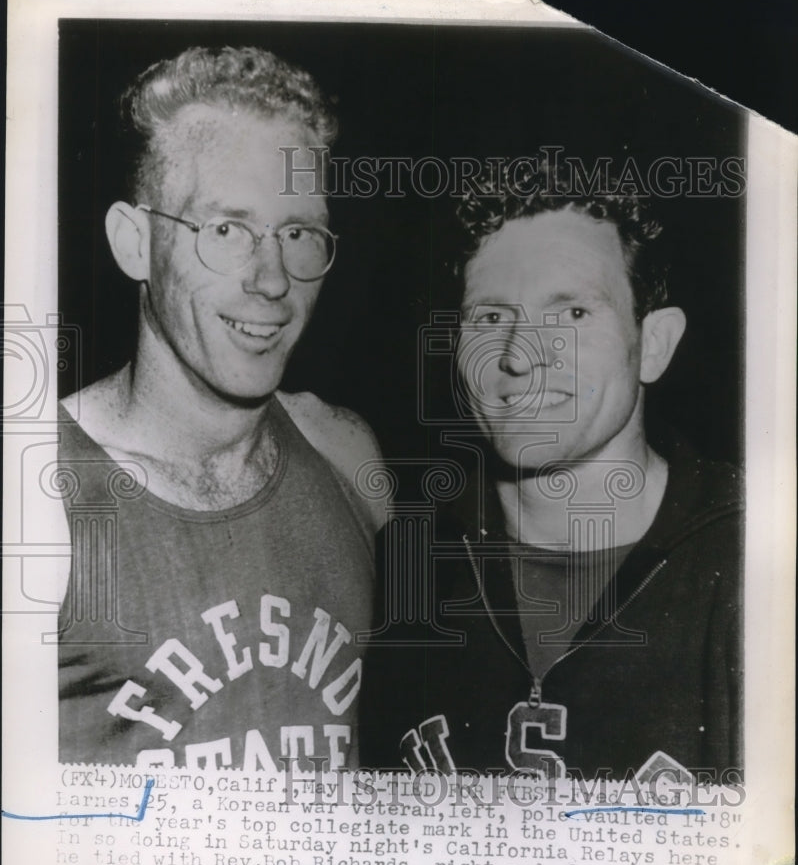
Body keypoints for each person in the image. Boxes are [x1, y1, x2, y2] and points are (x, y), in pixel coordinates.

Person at [55, 46, 383, 770]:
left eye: (297, 234)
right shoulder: (35, 491)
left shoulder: (345, 451)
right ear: (135, 242)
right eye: (227, 230)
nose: (272, 280)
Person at [360, 164, 743, 781]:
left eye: (570, 316)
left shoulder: (756, 563)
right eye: (488, 318)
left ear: (654, 344)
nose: (518, 356)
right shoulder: (405, 563)